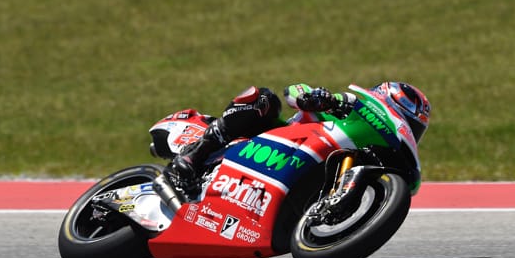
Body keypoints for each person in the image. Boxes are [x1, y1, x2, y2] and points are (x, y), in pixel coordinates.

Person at [164, 82, 430, 183]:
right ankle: (195, 155)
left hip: (287, 174)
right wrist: (310, 98)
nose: (407, 129)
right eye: (405, 119)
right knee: (263, 99)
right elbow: (295, 90)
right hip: (271, 142)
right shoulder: (343, 106)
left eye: (414, 129)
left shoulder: (368, 159)